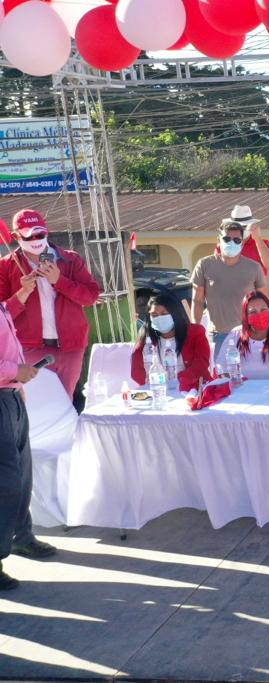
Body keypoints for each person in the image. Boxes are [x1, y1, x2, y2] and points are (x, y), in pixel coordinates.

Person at [0, 209, 100, 397]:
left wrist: (60, 281)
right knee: (37, 407)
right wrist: (23, 292)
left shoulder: (70, 259)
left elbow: (91, 297)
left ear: (47, 231)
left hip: (70, 347)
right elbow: (2, 318)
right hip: (29, 348)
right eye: (29, 236)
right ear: (15, 236)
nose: (36, 239)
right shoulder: (6, 266)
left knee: (64, 403)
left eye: (40, 234)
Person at [1, 298, 57, 590]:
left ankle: (21, 537)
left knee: (22, 476)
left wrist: (18, 383)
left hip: (10, 397)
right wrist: (13, 372)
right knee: (5, 482)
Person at [191, 222, 268, 357]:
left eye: (236, 240)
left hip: (249, 336)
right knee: (219, 376)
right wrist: (195, 330)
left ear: (242, 243)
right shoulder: (204, 265)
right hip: (217, 336)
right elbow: (197, 301)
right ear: (218, 240)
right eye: (227, 239)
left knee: (250, 376)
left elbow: (264, 302)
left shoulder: (254, 267)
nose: (231, 243)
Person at [130, 294, 212, 390]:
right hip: (160, 392)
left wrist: (178, 381)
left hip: (194, 389)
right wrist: (156, 384)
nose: (159, 318)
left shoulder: (195, 332)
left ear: (175, 314)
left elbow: (201, 364)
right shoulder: (146, 338)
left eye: (164, 314)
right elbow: (136, 372)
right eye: (154, 315)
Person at [212, 206, 269, 276]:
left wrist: (258, 239)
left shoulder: (262, 244)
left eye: (244, 227)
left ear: (251, 226)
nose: (240, 230)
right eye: (237, 227)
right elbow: (216, 270)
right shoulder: (225, 245)